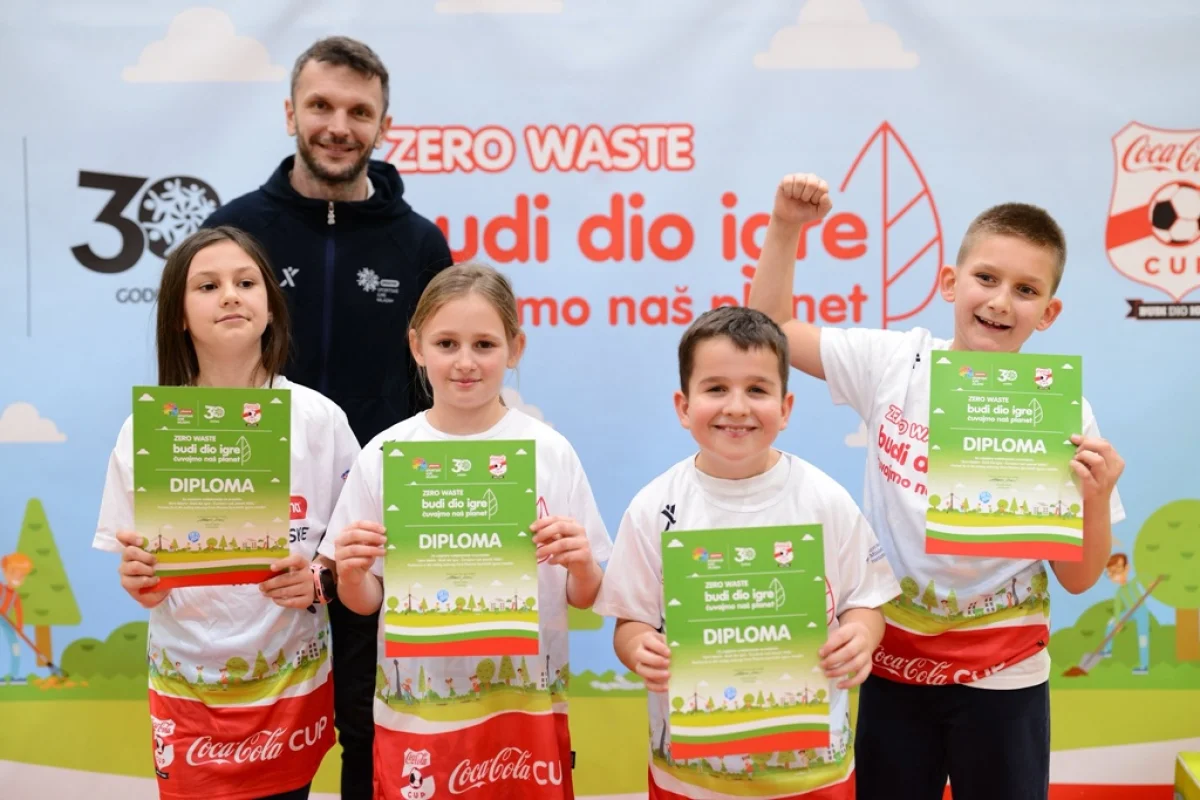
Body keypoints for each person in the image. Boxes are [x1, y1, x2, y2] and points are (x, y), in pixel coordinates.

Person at [748, 173, 1127, 799]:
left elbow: (1079, 578)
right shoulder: (893, 364)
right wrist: (786, 226)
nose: (1001, 301)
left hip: (1006, 676)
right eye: (987, 278)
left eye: (1026, 290)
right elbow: (772, 332)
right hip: (892, 665)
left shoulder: (1063, 416)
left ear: (1048, 312)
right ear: (951, 282)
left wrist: (1095, 498)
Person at [202, 37, 453, 795]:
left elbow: (441, 389)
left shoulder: (419, 243)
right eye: (320, 106)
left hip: (378, 532)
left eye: (358, 111)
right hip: (263, 531)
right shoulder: (235, 231)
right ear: (290, 113)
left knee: (371, 726)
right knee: (261, 727)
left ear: (383, 126)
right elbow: (204, 376)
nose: (338, 126)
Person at [318, 262, 612, 799]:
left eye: (485, 344)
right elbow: (365, 602)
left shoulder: (551, 452)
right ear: (417, 347)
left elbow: (584, 595)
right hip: (419, 718)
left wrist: (583, 564)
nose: (465, 362)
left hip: (524, 712)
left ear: (515, 348)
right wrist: (354, 574)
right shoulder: (385, 455)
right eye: (447, 343)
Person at [93, 226, 360, 800]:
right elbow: (135, 564)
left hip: (289, 684)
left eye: (246, 282)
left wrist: (320, 579)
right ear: (178, 316)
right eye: (208, 286)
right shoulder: (147, 431)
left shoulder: (319, 419)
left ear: (271, 305)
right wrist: (139, 580)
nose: (231, 296)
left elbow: (355, 542)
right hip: (188, 689)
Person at [593, 306, 901, 799]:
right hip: (693, 781)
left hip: (812, 776)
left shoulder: (824, 501)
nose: (737, 407)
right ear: (683, 406)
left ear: (785, 407)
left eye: (757, 390)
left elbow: (865, 601)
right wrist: (638, 649)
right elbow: (630, 622)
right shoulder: (653, 508)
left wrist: (862, 637)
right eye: (716, 388)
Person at [1102, 553, 1152, 674]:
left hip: (1140, 611)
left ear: (1127, 568)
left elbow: (1142, 576)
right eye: (1111, 572)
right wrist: (1118, 622)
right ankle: (1107, 650)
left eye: (1118, 569)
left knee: (1143, 637)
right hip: (1129, 611)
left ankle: (1144, 666)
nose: (1116, 575)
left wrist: (1150, 582)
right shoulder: (1120, 592)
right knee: (1111, 623)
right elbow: (1117, 607)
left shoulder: (1133, 583)